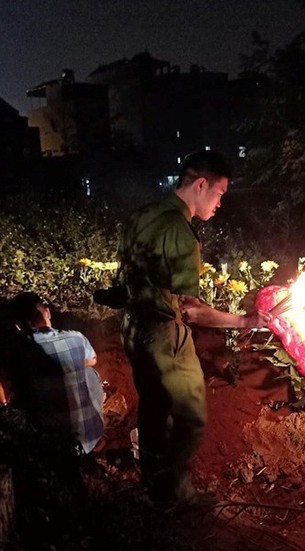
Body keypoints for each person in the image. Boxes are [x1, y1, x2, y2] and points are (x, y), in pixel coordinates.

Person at [118, 150, 268, 507]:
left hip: (133, 329)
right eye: (219, 194)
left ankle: (153, 486)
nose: (219, 204)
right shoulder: (181, 233)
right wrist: (245, 321)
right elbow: (191, 310)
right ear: (201, 184)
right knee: (191, 415)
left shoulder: (142, 216)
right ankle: (177, 494)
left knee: (154, 406)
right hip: (163, 335)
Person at [9, 292, 105, 454]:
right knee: (90, 372)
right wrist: (66, 363)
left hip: (54, 444)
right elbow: (92, 360)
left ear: (17, 325)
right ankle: (93, 435)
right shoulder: (76, 338)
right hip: (90, 437)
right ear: (47, 312)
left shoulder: (21, 349)